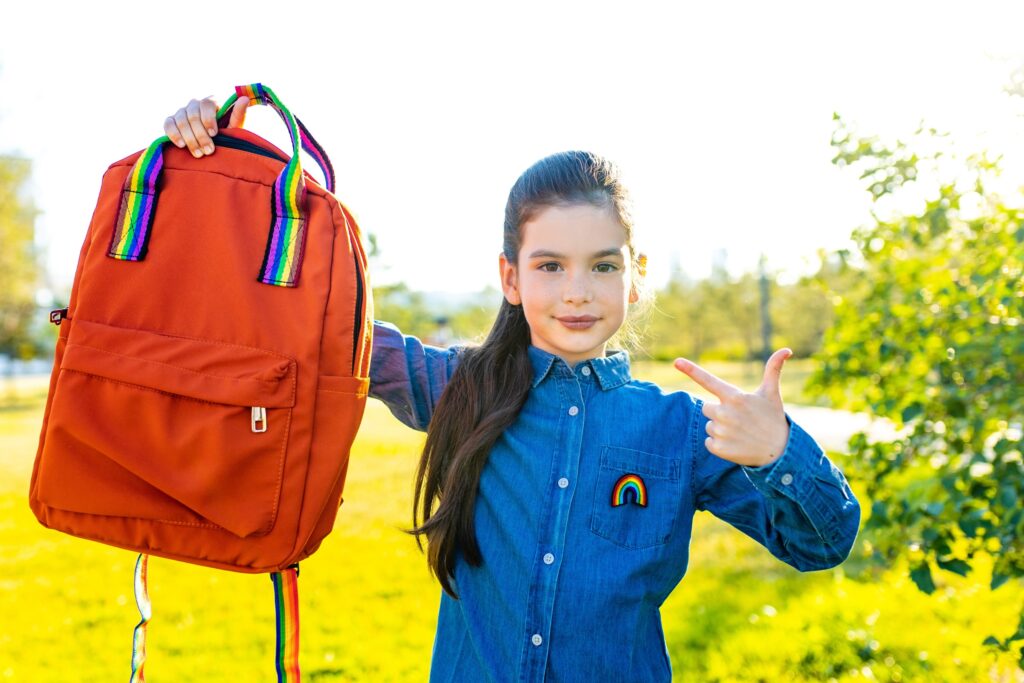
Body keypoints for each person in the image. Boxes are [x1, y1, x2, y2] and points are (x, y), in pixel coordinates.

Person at [164, 96, 862, 682]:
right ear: (510, 277)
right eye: (550, 265)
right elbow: (317, 323)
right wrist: (216, 164)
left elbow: (822, 543)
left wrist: (778, 452)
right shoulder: (459, 386)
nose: (577, 292)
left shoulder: (680, 430)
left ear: (635, 274)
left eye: (602, 265)